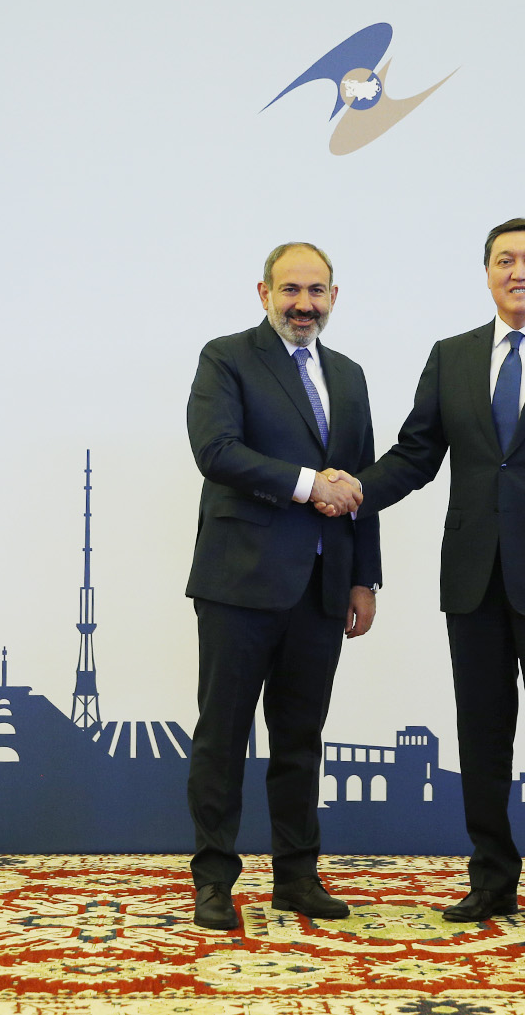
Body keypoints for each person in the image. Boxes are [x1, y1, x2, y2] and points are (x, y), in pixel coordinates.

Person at [325, 218, 525, 930]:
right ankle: (491, 880)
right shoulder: (453, 355)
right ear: (488, 272)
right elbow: (416, 454)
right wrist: (355, 489)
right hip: (473, 581)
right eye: (504, 260)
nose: (518, 271)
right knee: (482, 740)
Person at [184, 241, 381, 930]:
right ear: (264, 292)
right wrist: (307, 484)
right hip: (239, 583)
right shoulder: (226, 357)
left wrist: (364, 577)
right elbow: (216, 451)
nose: (303, 304)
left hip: (322, 588)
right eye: (290, 289)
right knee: (223, 736)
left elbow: (360, 481)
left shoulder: (349, 375)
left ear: (334, 297)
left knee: (301, 738)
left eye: (316, 290)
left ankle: (297, 877)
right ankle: (214, 881)